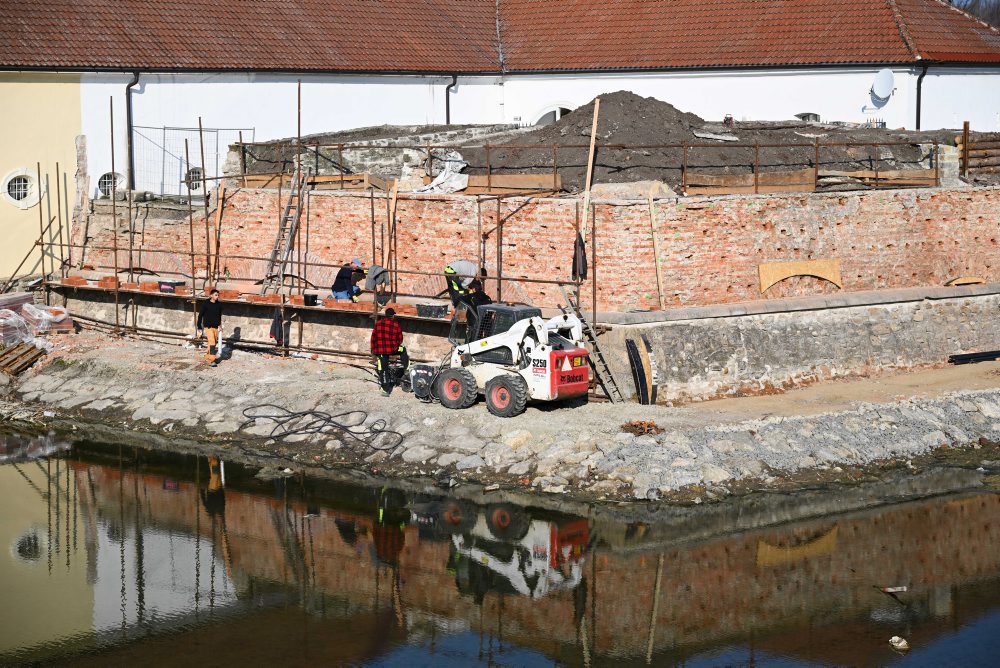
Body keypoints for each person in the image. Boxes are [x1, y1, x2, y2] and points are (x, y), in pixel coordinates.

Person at [370, 307, 408, 396]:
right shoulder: (395, 325)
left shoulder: (378, 324)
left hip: (380, 351)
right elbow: (400, 339)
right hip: (393, 349)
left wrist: (374, 351)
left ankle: (386, 390)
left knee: (384, 370)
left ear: (385, 315)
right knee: (403, 350)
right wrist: (395, 344)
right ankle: (406, 368)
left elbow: (373, 339)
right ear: (393, 316)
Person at [197, 288, 224, 364]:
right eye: (215, 295)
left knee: (213, 343)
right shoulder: (206, 304)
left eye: (218, 295)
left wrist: (220, 326)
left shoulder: (219, 305)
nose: (217, 296)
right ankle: (212, 360)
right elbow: (200, 315)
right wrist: (199, 326)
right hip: (208, 327)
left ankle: (208, 357)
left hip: (215, 327)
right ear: (211, 295)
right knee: (212, 342)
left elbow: (219, 317)